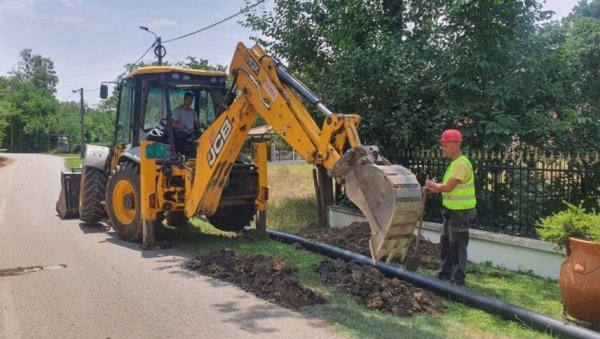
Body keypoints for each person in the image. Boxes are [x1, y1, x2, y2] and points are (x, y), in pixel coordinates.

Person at [424, 129, 476, 286]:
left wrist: (433, 184)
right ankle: (445, 273)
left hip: (461, 212)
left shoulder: (461, 164)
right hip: (451, 211)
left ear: (455, 144)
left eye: (445, 145)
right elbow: (447, 188)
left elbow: (448, 187)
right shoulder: (454, 164)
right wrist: (432, 190)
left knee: (457, 246)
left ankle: (458, 279)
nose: (443, 148)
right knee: (446, 242)